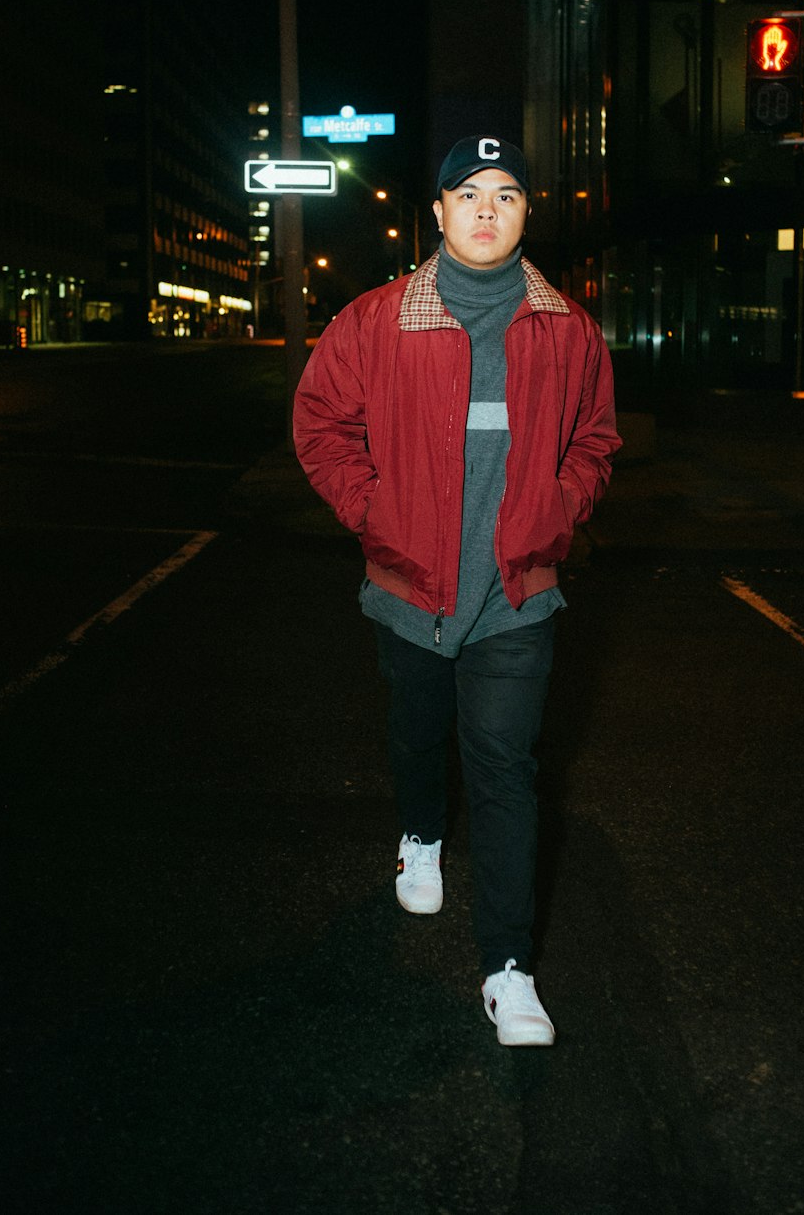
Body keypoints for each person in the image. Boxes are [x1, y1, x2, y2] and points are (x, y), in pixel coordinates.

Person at [293, 135, 621, 1046]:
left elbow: (595, 437)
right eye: (468, 192)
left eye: (507, 193)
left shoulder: (567, 328)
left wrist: (562, 507)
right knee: (415, 733)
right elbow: (320, 424)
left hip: (519, 592)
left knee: (507, 771)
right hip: (409, 586)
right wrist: (374, 512)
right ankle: (421, 832)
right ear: (435, 213)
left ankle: (509, 970)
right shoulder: (375, 320)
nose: (487, 207)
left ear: (526, 214)